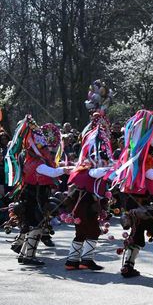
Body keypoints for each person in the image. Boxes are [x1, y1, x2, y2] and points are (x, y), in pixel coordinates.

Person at [113, 110, 153, 278]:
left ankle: (129, 266)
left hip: (133, 205)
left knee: (138, 234)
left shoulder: (132, 163)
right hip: (141, 206)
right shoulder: (142, 164)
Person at [4, 117, 61, 267]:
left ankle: (23, 252)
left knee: (31, 224)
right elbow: (52, 173)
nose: (47, 150)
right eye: (44, 147)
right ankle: (28, 256)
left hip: (33, 194)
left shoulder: (30, 158)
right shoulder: (35, 162)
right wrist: (67, 169)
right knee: (35, 225)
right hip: (34, 195)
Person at [63, 113, 113, 271]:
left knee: (83, 232)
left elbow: (99, 173)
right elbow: (95, 173)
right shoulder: (86, 165)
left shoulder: (90, 163)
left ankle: (73, 261)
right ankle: (84, 260)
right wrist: (112, 168)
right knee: (91, 230)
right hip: (82, 202)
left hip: (88, 202)